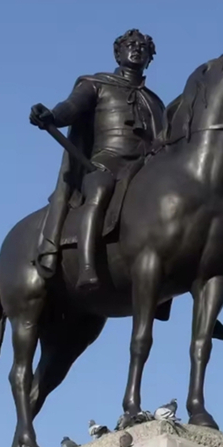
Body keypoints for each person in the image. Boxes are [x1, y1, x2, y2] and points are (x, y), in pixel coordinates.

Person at [30, 29, 165, 292]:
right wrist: (52, 116)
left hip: (144, 167)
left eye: (143, 47)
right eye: (130, 44)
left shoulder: (155, 103)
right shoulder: (96, 84)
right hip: (108, 161)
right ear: (118, 53)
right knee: (100, 190)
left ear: (150, 58)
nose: (136, 49)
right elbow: (70, 108)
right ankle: (87, 266)